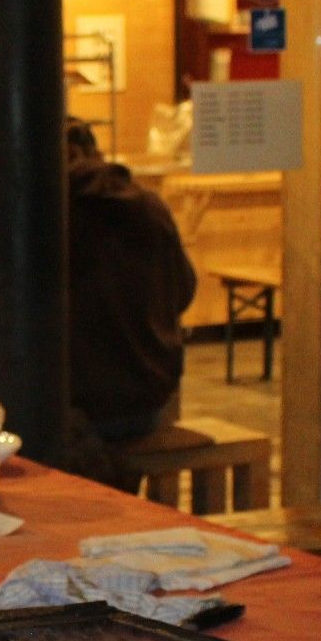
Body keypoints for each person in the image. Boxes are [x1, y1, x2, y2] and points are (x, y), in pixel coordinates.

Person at [65, 117, 197, 442]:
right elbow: (184, 290)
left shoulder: (49, 214)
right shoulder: (149, 206)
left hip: (78, 408)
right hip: (148, 399)